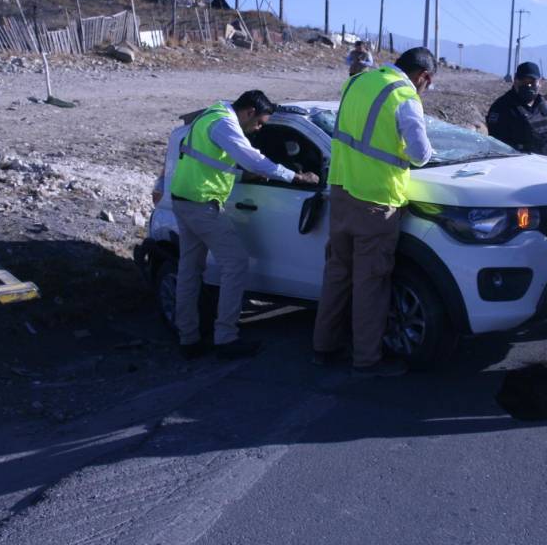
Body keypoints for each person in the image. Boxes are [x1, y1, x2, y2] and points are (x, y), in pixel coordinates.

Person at [165, 90, 320, 360]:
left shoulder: (211, 113)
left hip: (184, 198)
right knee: (235, 263)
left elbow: (209, 161)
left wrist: (239, 174)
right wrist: (294, 177)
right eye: (259, 122)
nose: (258, 128)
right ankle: (225, 338)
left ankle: (188, 337)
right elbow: (253, 158)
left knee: (189, 270)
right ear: (248, 112)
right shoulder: (225, 123)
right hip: (202, 204)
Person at [312, 47, 436, 377]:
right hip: (376, 201)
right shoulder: (404, 95)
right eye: (427, 84)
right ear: (423, 76)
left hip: (339, 191)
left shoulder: (356, 82)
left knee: (337, 273)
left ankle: (323, 346)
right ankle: (367, 359)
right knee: (371, 282)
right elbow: (420, 154)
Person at [486, 61, 547, 156]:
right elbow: (496, 145)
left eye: (532, 82)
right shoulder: (502, 107)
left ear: (539, 83)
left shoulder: (541, 105)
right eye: (524, 81)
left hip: (544, 164)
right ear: (515, 80)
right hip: (517, 165)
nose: (528, 85)